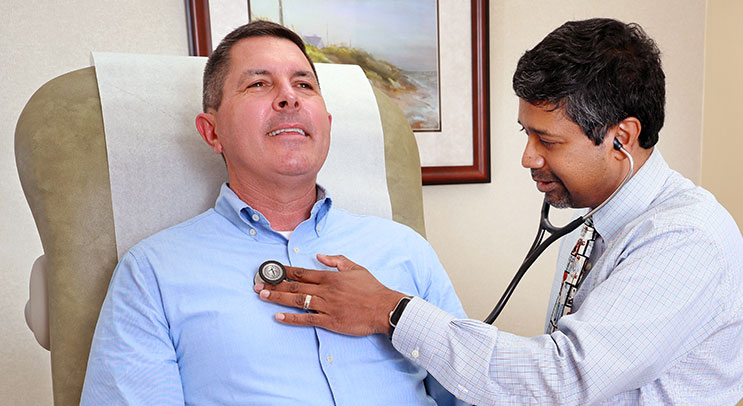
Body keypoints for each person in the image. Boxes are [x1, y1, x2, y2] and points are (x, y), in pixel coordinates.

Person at [256, 18, 743, 405]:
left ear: (620, 138)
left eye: (548, 140)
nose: (528, 158)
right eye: (526, 133)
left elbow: (563, 378)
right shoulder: (595, 219)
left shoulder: (687, 240)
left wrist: (390, 310)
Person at [81, 20, 467, 406]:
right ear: (211, 132)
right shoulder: (151, 274)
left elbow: (474, 391)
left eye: (304, 84)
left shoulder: (407, 251)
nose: (290, 99)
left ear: (326, 125)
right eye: (258, 84)